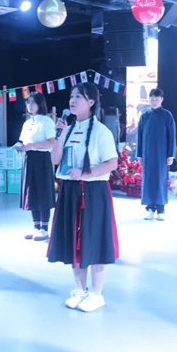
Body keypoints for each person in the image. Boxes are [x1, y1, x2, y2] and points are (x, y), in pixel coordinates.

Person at [48, 82, 119, 313]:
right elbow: (55, 160)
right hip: (70, 190)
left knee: (95, 240)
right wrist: (60, 134)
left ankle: (97, 294)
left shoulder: (101, 131)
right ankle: (80, 289)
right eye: (71, 96)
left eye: (78, 96)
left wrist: (85, 173)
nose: (72, 100)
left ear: (91, 102)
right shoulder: (68, 129)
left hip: (93, 191)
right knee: (74, 240)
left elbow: (112, 163)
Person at [15, 92, 56, 242]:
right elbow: (22, 141)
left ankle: (44, 229)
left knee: (43, 192)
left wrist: (33, 145)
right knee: (31, 192)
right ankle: (36, 226)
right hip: (29, 159)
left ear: (40, 104)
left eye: (33, 102)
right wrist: (18, 147)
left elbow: (51, 142)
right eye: (28, 102)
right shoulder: (27, 123)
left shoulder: (46, 121)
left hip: (42, 159)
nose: (30, 105)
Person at [137, 88, 176, 221]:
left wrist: (171, 155)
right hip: (147, 154)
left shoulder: (167, 115)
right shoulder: (144, 115)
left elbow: (172, 136)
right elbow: (140, 135)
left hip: (162, 154)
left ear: (161, 100)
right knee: (148, 180)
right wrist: (139, 155)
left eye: (157, 99)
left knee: (160, 179)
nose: (154, 102)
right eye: (152, 99)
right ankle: (149, 208)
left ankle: (160, 209)